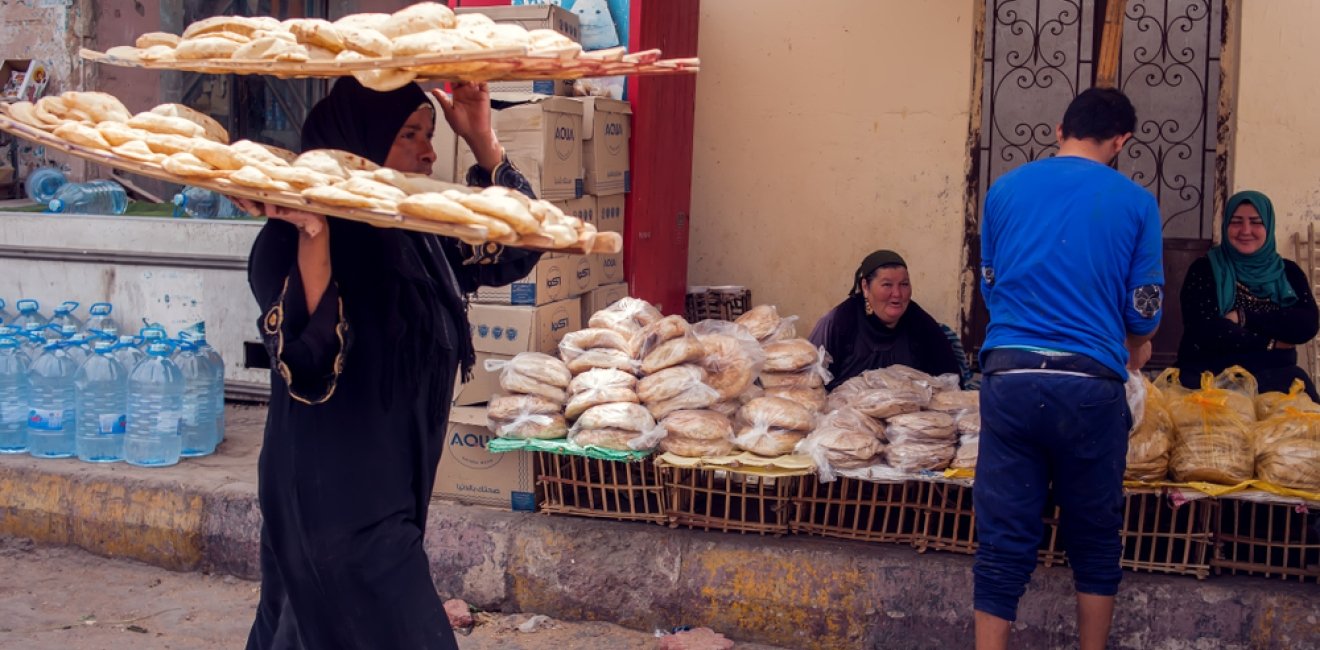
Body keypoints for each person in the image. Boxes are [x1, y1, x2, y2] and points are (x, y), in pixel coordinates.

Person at [238, 78, 541, 650]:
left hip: (391, 490)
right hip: (332, 500)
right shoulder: (284, 242)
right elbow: (309, 363)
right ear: (358, 142)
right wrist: (312, 230)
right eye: (410, 136)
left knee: (303, 632)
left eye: (429, 134)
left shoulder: (419, 232)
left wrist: (481, 137)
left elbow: (521, 245)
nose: (429, 152)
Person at [974, 87, 1163, 650]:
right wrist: (1139, 343)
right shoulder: (1135, 202)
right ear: (1122, 140)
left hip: (1009, 377)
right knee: (1094, 535)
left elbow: (990, 281)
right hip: (1088, 385)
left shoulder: (1004, 190)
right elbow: (1145, 304)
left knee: (1003, 537)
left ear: (1060, 130)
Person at [1175, 190, 1320, 400]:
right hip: (1209, 380)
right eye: (1236, 222)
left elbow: (1305, 325)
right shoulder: (1205, 270)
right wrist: (1271, 343)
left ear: (1268, 227)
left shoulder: (1288, 272)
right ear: (1225, 226)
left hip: (1276, 380)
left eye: (1255, 222)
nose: (1245, 230)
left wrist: (1242, 318)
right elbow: (1206, 330)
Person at [808, 250, 962, 390]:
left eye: (904, 284)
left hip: (907, 417)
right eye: (887, 285)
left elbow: (951, 383)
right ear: (865, 287)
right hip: (842, 416)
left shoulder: (921, 325)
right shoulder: (840, 322)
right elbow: (807, 382)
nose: (897, 294)